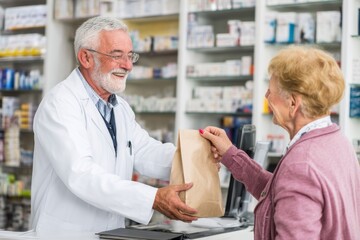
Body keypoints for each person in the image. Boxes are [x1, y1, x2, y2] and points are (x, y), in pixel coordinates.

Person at [30, 16, 198, 234]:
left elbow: (144, 151)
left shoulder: (119, 108)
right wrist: (152, 198)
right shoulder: (61, 103)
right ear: (86, 58)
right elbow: (80, 173)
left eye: (130, 56)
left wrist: (194, 159)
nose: (127, 65)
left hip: (110, 232)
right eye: (117, 56)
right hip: (67, 234)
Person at [199, 45, 360, 239]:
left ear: (293, 103)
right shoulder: (336, 141)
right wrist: (230, 154)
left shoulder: (301, 164)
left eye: (270, 91)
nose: (266, 97)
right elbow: (280, 192)